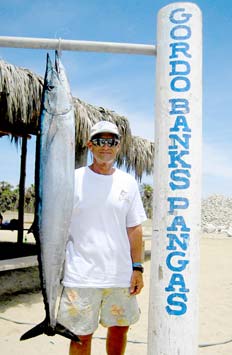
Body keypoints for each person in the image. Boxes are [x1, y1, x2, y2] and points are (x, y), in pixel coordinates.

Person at [57, 121, 147, 355]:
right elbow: (57, 225)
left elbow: (134, 229)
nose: (105, 146)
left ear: (118, 146)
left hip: (120, 276)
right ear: (90, 145)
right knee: (79, 336)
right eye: (100, 140)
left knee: (119, 331)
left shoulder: (128, 182)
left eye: (112, 141)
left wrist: (137, 268)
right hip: (80, 276)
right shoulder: (71, 179)